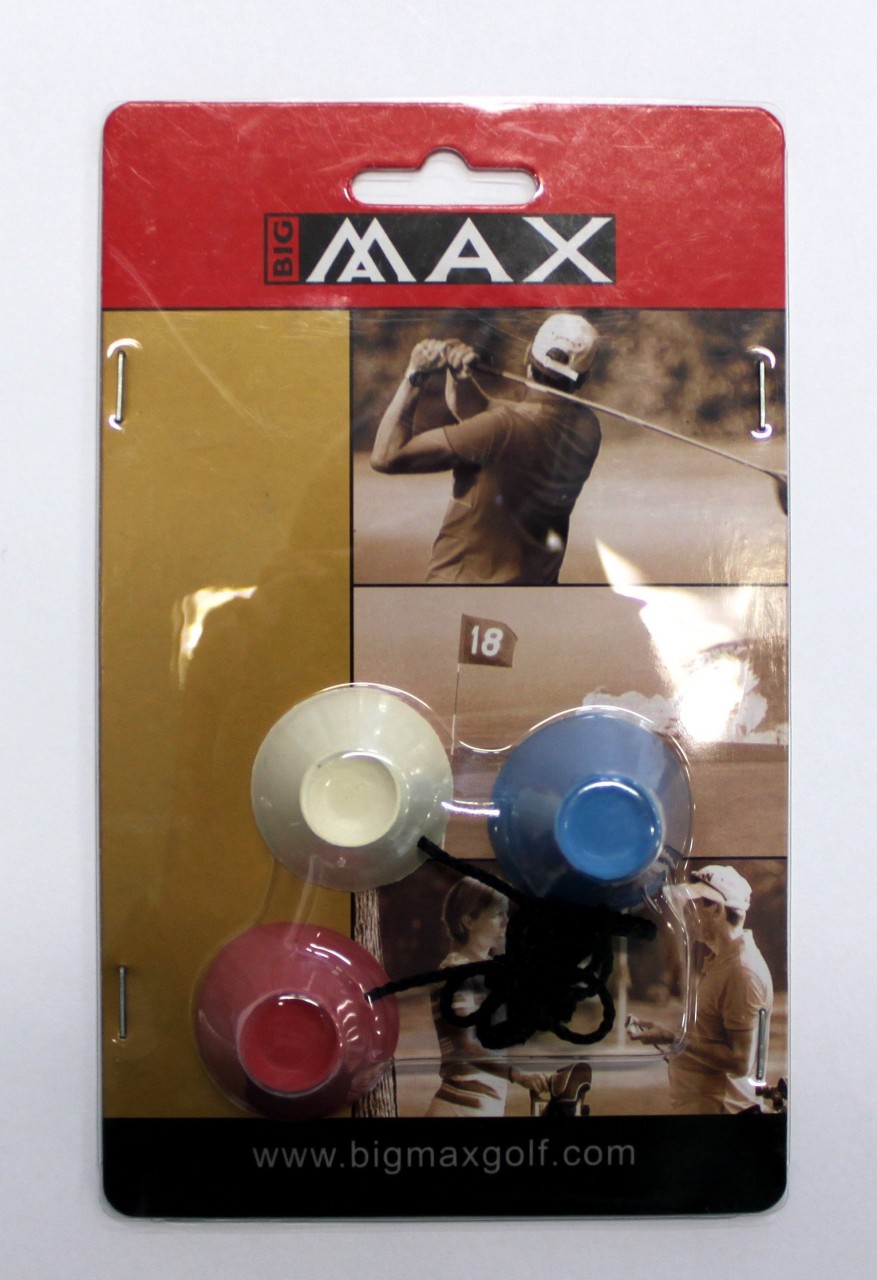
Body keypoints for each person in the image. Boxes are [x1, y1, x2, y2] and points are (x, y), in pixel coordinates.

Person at [370, 314, 602, 585]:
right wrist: (459, 376)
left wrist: (415, 376)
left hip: (461, 591)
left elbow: (385, 456)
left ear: (528, 355)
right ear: (584, 378)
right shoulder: (588, 427)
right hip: (535, 592)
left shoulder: (499, 428)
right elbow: (483, 413)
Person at [627, 864, 774, 1114]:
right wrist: (667, 1035)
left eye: (691, 905)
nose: (685, 914)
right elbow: (709, 1038)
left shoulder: (741, 972)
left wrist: (672, 1038)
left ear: (716, 909)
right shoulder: (722, 961)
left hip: (723, 1115)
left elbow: (740, 1062)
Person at [425, 877, 549, 1117]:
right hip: (461, 1107)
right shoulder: (456, 972)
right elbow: (466, 1046)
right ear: (469, 921)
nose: (506, 922)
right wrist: (517, 1074)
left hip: (483, 1104)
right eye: (497, 914)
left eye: (506, 913)